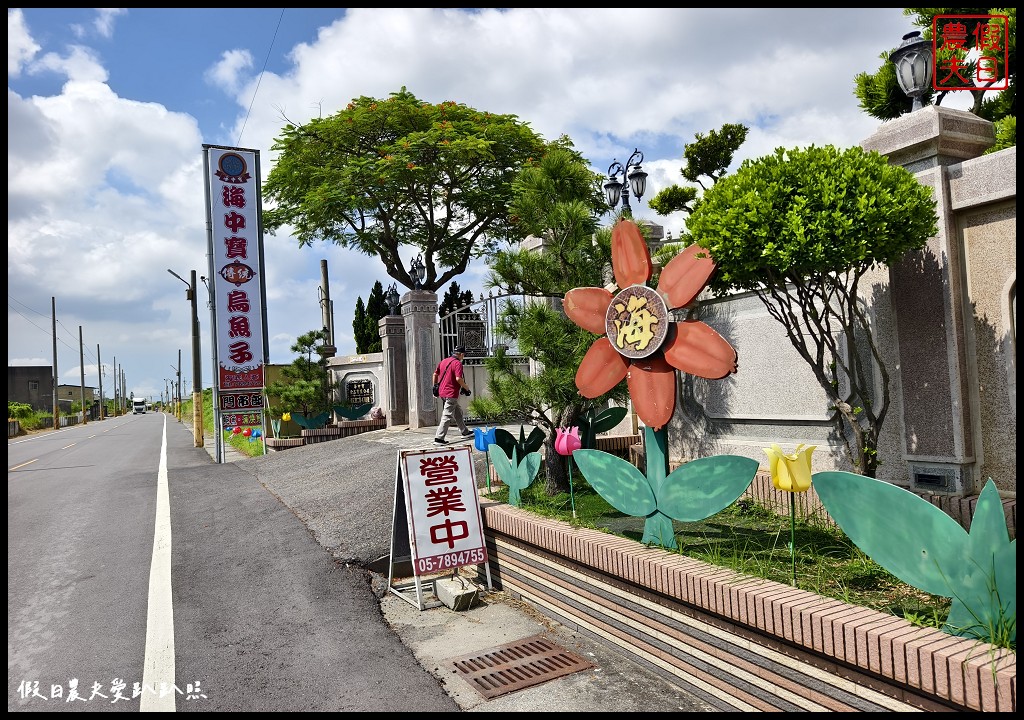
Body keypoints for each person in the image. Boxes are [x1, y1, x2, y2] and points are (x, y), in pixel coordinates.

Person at [432, 345, 473, 444]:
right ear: (461, 354)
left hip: (442, 392)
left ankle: (465, 431)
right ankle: (439, 438)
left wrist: (435, 387)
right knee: (447, 415)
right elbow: (458, 379)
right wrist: (466, 388)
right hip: (451, 393)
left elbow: (435, 374)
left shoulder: (444, 361)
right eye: (464, 355)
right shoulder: (457, 363)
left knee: (457, 412)